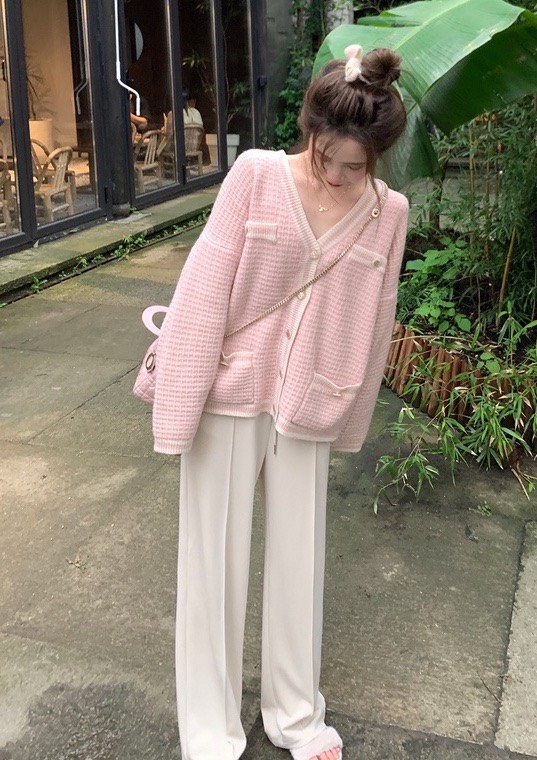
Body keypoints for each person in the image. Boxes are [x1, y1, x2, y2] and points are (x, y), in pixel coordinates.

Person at [148, 45, 408, 760]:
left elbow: (375, 322)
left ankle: (295, 716)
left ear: (377, 157)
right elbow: (203, 291)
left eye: (355, 166)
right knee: (212, 564)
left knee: (300, 564)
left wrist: (351, 420)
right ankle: (211, 732)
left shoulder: (389, 213)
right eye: (327, 157)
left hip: (313, 399)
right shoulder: (257, 175)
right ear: (309, 131)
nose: (338, 176)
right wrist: (178, 410)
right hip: (230, 389)